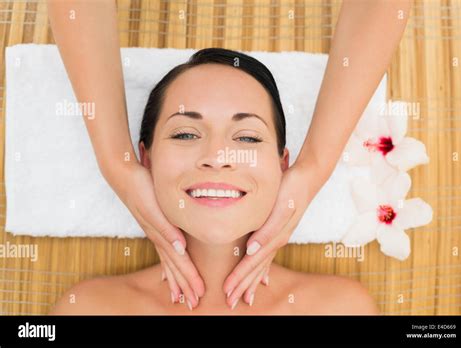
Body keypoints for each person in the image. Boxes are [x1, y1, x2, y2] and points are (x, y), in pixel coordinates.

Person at [47, 0, 412, 309]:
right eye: (186, 133)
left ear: (283, 165)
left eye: (249, 138)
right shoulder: (92, 309)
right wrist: (116, 163)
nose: (217, 156)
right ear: (146, 159)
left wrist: (316, 167)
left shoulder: (338, 310)